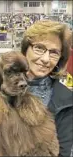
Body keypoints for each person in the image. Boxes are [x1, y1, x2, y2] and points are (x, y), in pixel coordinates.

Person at [21, 20, 73, 157]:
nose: (45, 59)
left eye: (54, 52)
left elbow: (63, 151)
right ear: (26, 48)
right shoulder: (1, 83)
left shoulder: (67, 97)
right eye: (39, 48)